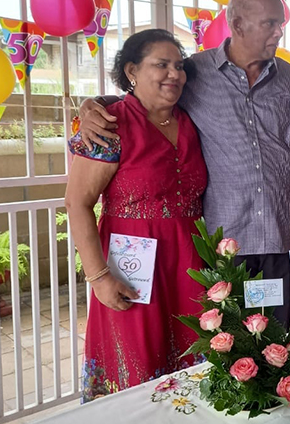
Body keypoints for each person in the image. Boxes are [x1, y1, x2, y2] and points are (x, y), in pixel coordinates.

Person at [76, 0, 290, 329]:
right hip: (223, 245)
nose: (279, 32)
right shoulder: (194, 73)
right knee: (228, 342)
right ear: (237, 25)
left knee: (274, 337)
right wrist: (92, 105)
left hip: (280, 234)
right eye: (270, 23)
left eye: (280, 23)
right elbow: (145, 98)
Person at [65, 29, 206, 402]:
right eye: (161, 65)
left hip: (189, 265)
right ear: (132, 71)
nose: (174, 74)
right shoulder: (109, 124)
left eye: (179, 66)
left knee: (195, 371)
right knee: (135, 368)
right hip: (132, 269)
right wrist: (99, 278)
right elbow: (77, 203)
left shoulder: (192, 121)